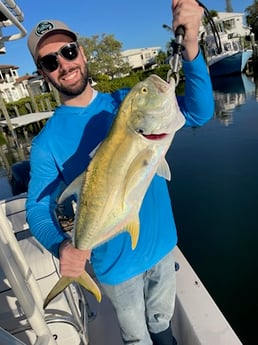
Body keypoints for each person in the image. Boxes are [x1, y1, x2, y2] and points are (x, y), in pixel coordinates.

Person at [26, 1, 214, 344]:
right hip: (115, 269)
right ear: (43, 73)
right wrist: (62, 247)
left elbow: (200, 113)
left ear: (81, 53)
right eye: (50, 62)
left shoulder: (126, 103)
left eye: (68, 52)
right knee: (137, 338)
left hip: (162, 247)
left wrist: (190, 47)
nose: (64, 65)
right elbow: (38, 208)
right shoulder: (45, 144)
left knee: (163, 326)